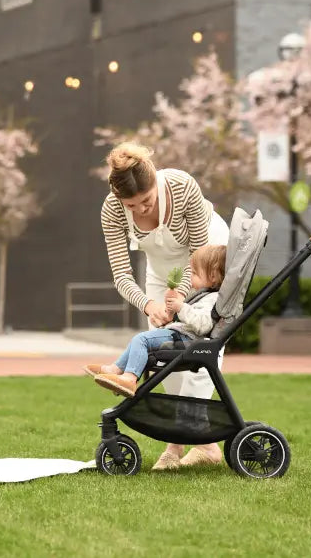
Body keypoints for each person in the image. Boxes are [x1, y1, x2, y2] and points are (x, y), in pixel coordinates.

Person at [92, 141, 229, 470]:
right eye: (131, 205)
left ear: (155, 181)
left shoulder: (182, 186)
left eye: (147, 201)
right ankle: (204, 445)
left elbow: (198, 257)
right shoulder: (111, 210)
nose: (140, 210)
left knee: (200, 348)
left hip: (207, 260)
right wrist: (149, 305)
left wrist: (177, 303)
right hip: (161, 272)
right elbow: (121, 275)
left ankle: (176, 445)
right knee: (163, 351)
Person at [87, 244, 227, 396]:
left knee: (142, 340)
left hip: (185, 339)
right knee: (140, 340)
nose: (190, 277)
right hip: (182, 335)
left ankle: (129, 379)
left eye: (194, 273)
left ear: (213, 276)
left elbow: (203, 325)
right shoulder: (205, 295)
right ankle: (115, 370)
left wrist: (181, 307)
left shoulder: (213, 299)